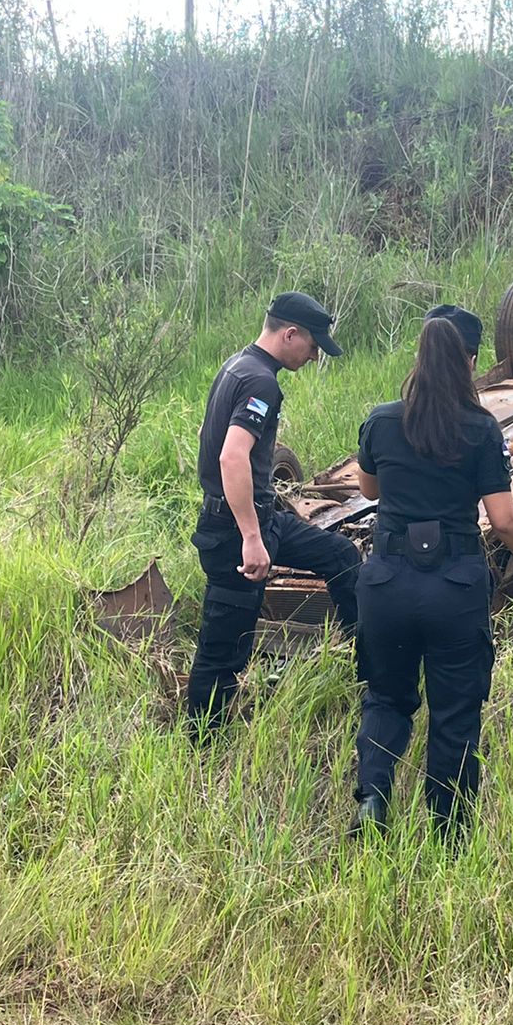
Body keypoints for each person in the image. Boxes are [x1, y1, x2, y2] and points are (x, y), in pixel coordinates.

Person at [350, 305, 513, 840]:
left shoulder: (380, 420)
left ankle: (373, 798)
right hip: (454, 587)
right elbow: (505, 518)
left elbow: (368, 490)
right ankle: (449, 832)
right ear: (468, 365)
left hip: (387, 584)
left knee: (385, 697)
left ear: (418, 361)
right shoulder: (480, 430)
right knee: (455, 709)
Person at [185, 291, 362, 734]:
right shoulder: (261, 381)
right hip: (234, 532)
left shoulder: (236, 365)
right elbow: (230, 457)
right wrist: (249, 536)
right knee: (224, 646)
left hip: (261, 518)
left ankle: (370, 667)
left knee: (341, 556)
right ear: (289, 334)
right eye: (313, 345)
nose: (314, 354)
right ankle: (202, 742)